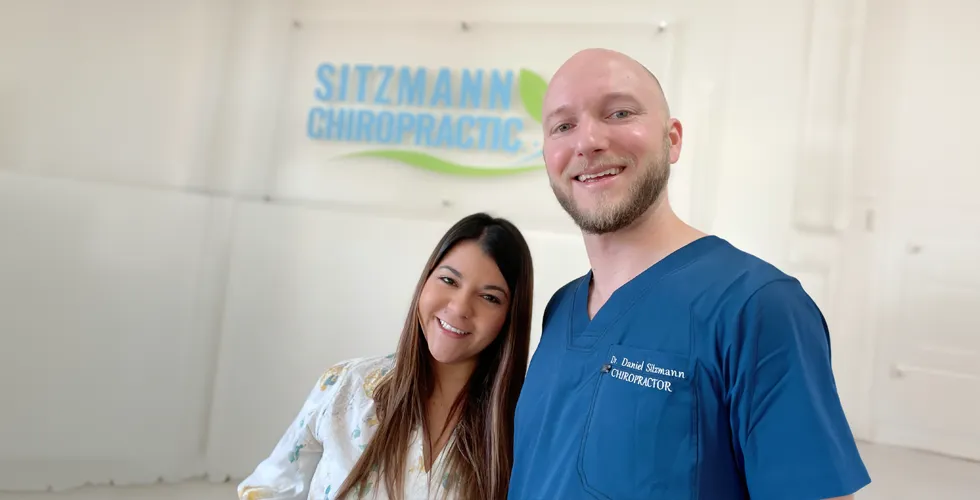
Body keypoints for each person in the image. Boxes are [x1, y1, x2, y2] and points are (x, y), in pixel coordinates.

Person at [508, 48, 871, 500]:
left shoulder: (758, 307)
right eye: (563, 126)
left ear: (672, 139)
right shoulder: (561, 308)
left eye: (619, 112)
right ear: (547, 155)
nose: (587, 142)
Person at [239, 213, 534, 500]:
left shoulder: (518, 426)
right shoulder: (347, 387)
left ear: (510, 317)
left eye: (489, 297)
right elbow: (269, 489)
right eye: (449, 281)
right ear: (425, 281)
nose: (459, 308)